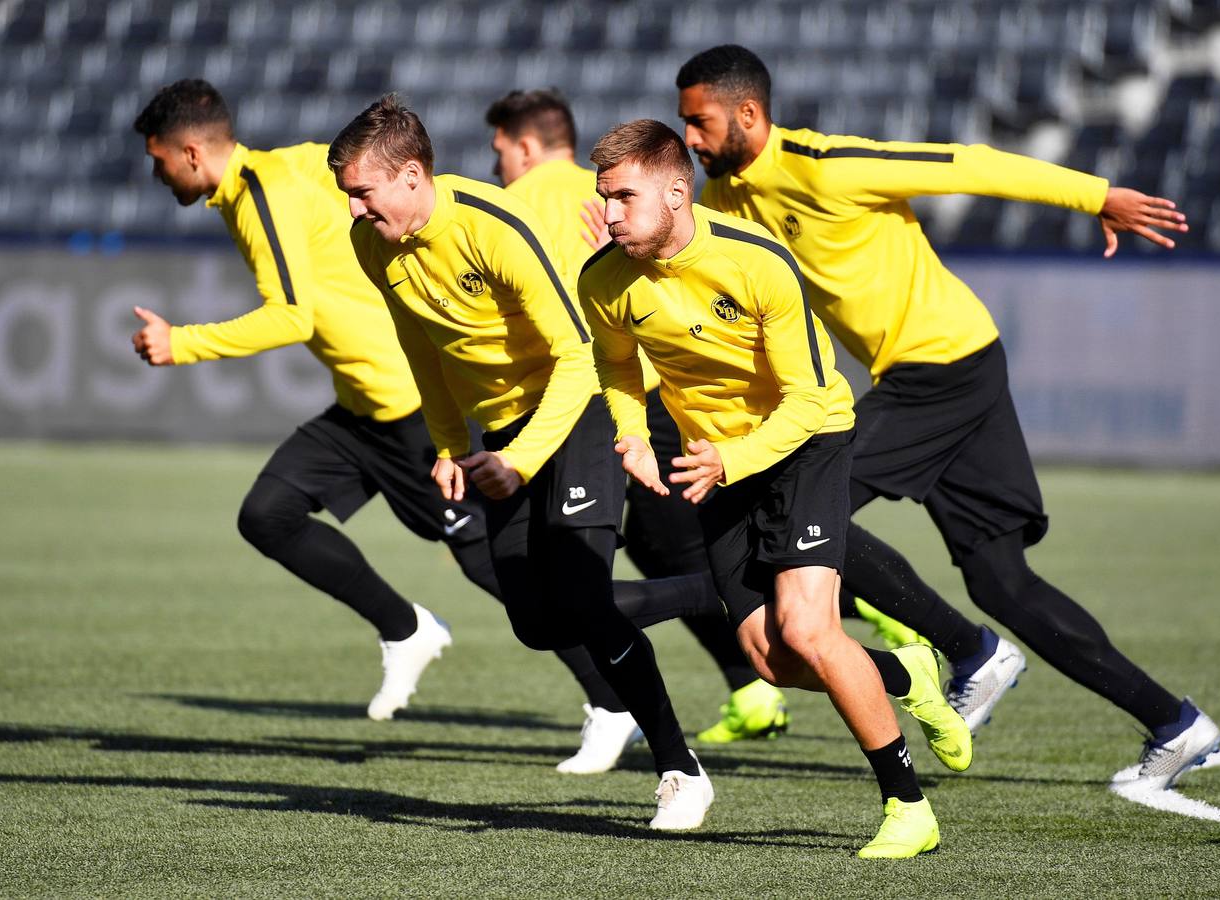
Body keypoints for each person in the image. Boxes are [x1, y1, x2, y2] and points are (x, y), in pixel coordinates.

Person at [674, 45, 1220, 789]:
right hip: (949, 369)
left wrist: (1097, 196)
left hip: (944, 367)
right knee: (1002, 582)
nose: (693, 140)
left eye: (700, 123)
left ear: (748, 113)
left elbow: (971, 163)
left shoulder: (831, 163)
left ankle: (969, 653)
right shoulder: (723, 202)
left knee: (796, 495)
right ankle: (1175, 723)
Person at [127, 82, 678, 781]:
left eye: (157, 160)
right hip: (364, 406)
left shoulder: (266, 193)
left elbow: (292, 314)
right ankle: (407, 628)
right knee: (268, 513)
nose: (155, 174)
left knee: (508, 574)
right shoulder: (288, 176)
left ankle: (614, 700)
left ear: (190, 150)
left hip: (410, 406)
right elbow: (367, 239)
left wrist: (185, 343)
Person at [579, 119, 970, 858]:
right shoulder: (603, 280)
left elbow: (802, 398)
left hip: (806, 442)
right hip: (717, 462)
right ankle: (904, 670)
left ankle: (908, 808)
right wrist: (630, 431)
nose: (611, 214)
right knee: (770, 659)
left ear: (676, 189)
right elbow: (619, 367)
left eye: (625, 197)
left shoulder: (757, 262)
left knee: (809, 630)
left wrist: (732, 458)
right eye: (605, 199)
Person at [331, 94, 713, 830]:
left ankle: (679, 768)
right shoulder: (372, 243)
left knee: (585, 597)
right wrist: (450, 444)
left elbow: (578, 352)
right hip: (501, 435)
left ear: (411, 176)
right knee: (537, 623)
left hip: (577, 411)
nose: (354, 211)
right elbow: (421, 344)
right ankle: (710, 592)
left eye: (362, 192)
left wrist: (523, 460)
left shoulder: (493, 226)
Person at [484, 88, 791, 746]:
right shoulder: (604, 198)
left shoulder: (517, 211)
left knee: (643, 570)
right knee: (661, 549)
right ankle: (751, 683)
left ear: (527, 146)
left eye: (500, 151)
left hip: (607, 405)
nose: (496, 165)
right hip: (640, 400)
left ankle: (862, 615)